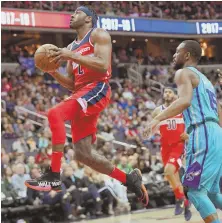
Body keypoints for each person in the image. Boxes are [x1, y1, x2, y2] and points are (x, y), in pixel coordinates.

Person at [25, 5, 148, 206]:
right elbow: (72, 84)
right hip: (81, 91)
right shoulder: (71, 47)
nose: (72, 15)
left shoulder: (97, 35)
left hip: (98, 87)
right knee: (83, 154)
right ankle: (129, 179)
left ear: (89, 19)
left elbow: (102, 65)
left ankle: (54, 175)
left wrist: (69, 55)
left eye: (78, 12)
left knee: (54, 114)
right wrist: (52, 71)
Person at [144, 40, 222, 222]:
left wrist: (157, 118)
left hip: (203, 132)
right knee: (211, 192)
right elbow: (219, 113)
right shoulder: (206, 81)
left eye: (177, 51)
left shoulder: (183, 73)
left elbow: (184, 101)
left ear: (187, 55)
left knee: (195, 191)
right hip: (215, 133)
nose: (173, 55)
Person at [151, 87, 191, 220]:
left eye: (170, 92)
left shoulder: (182, 108)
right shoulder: (157, 111)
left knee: (168, 171)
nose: (167, 94)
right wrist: (149, 132)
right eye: (165, 92)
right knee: (172, 178)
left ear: (175, 95)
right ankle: (185, 202)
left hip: (178, 146)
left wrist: (188, 134)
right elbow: (153, 126)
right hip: (165, 148)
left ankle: (179, 199)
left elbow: (191, 124)